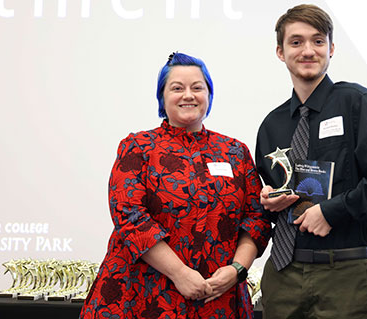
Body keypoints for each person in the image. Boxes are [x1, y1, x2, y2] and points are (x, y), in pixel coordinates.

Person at [255, 4, 367, 319]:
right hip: (282, 274)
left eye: (318, 41)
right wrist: (268, 199)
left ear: (331, 49)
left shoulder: (355, 102)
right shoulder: (271, 125)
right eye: (296, 42)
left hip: (343, 272)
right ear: (280, 51)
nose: (308, 50)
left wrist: (333, 211)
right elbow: (271, 193)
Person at [80, 52, 271, 319]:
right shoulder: (138, 147)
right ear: (162, 97)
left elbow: (256, 219)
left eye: (197, 87)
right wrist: (180, 274)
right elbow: (129, 216)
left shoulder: (235, 152)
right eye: (177, 88)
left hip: (218, 297)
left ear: (209, 95)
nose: (188, 95)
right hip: (144, 295)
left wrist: (237, 270)